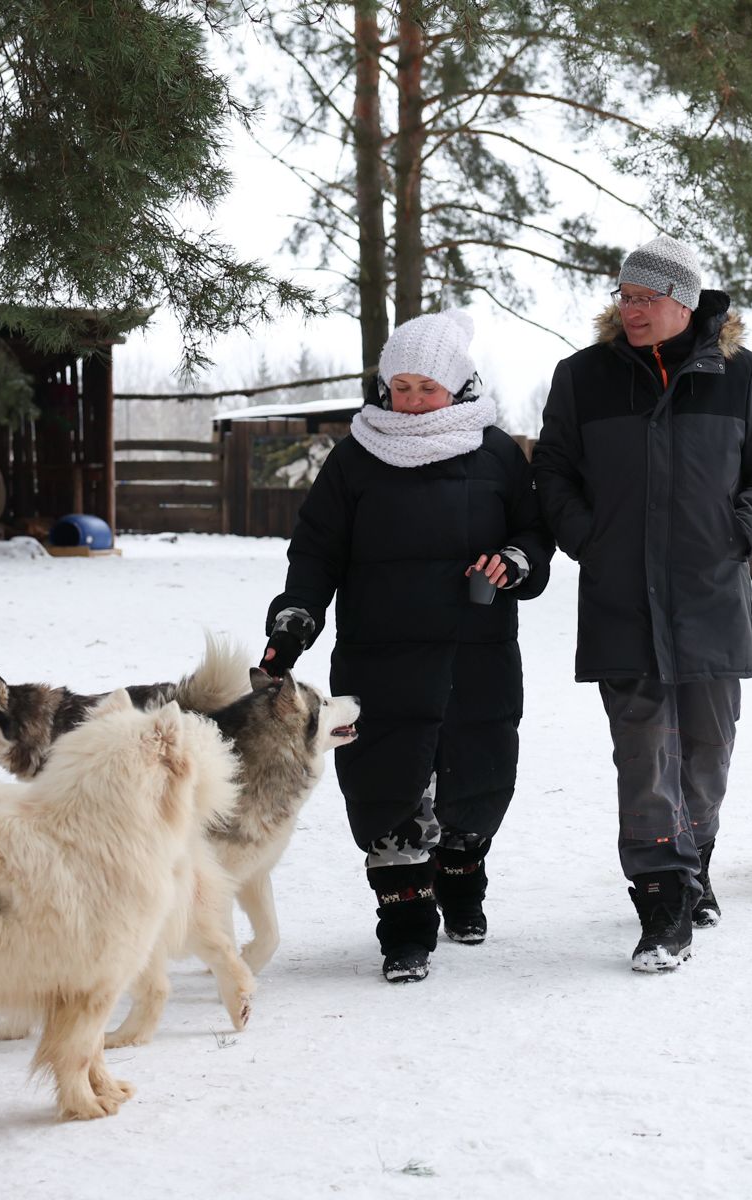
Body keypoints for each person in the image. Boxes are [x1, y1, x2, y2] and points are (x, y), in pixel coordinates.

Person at [532, 235, 752, 973]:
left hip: (709, 595)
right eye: (625, 297)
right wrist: (591, 537)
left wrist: (740, 529)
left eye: (646, 299)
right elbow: (552, 470)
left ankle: (695, 860)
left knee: (708, 749)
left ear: (684, 302)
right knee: (644, 755)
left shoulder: (740, 376)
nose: (632, 310)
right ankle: (663, 903)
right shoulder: (582, 377)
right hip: (620, 596)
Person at [260, 310, 551, 983]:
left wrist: (514, 560)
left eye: (427, 387)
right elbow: (317, 549)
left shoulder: (497, 452)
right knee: (388, 790)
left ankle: (462, 880)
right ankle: (405, 928)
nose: (412, 400)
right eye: (401, 386)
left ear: (458, 383)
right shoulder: (356, 455)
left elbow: (536, 536)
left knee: (474, 784)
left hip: (474, 650)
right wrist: (296, 615)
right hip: (380, 652)